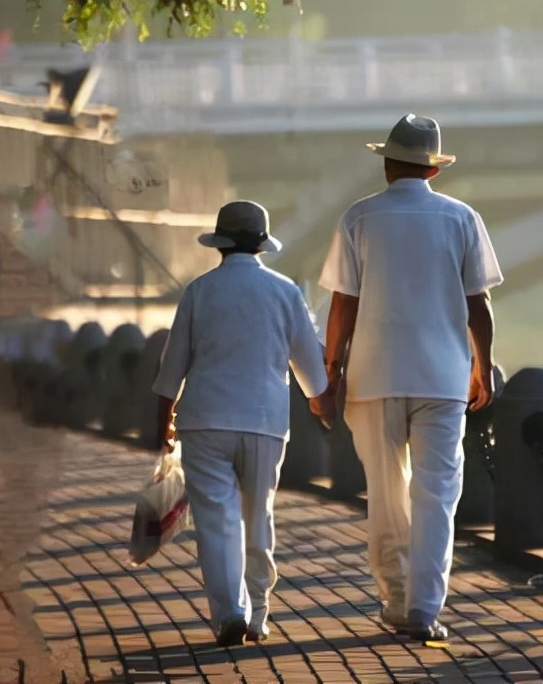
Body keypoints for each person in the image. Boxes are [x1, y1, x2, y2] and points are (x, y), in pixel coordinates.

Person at [311, 113, 503, 642]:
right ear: (434, 171)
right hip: (443, 379)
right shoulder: (462, 218)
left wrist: (333, 370)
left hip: (373, 377)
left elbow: (342, 305)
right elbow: (477, 305)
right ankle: (423, 609)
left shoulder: (359, 218)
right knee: (437, 494)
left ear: (388, 165)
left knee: (386, 494)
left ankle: (394, 599)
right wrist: (482, 366)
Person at [152, 200, 327, 647]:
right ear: (262, 245)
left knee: (217, 521)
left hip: (205, 420)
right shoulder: (286, 291)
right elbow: (313, 371)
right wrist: (321, 402)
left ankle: (229, 611)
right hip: (265, 422)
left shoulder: (199, 290)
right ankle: (259, 612)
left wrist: (163, 419)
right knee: (257, 515)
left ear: (220, 244)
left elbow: (174, 365)